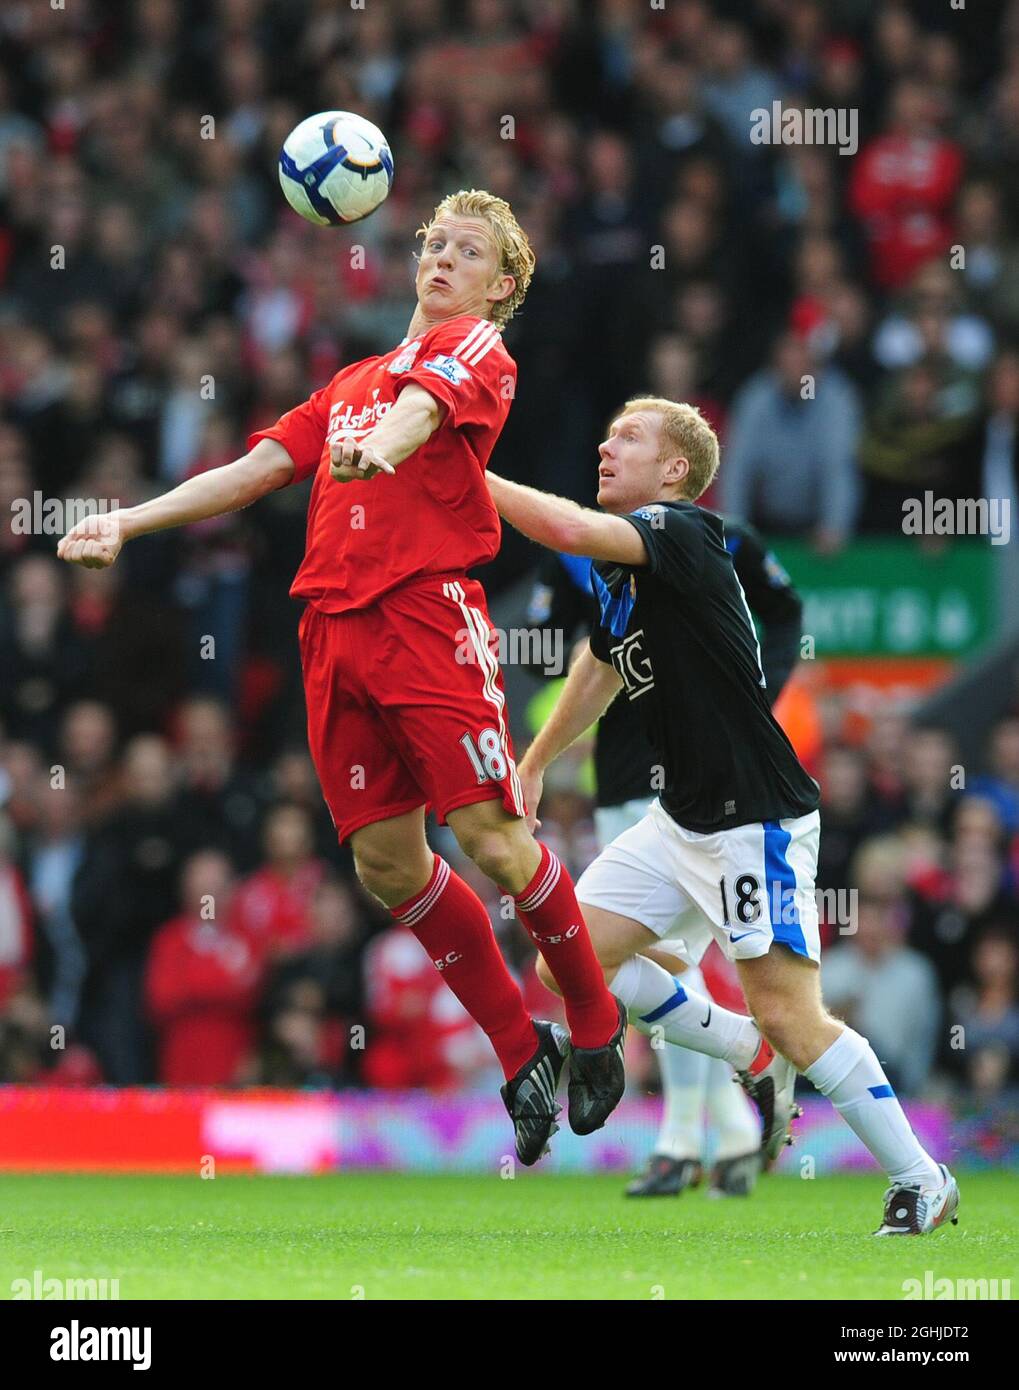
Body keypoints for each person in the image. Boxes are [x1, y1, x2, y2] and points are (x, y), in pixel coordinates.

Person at [57, 189, 626, 1165]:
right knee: (386, 865)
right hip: (330, 631)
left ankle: (591, 1016)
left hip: (423, 617)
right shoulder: (350, 380)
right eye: (434, 241)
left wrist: (378, 448)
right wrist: (129, 518)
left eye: (468, 250)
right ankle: (516, 1046)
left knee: (492, 837)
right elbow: (255, 468)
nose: (442, 257)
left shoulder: (478, 351)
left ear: (501, 286)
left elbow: (416, 416)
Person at [485, 394, 959, 1235]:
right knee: (565, 964)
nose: (604, 444)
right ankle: (747, 1050)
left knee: (794, 1012)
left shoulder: (684, 530)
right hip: (678, 820)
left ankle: (921, 1177)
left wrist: (464, 475)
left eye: (626, 436)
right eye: (605, 431)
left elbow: (565, 531)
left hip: (754, 819)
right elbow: (599, 661)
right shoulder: (624, 564)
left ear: (674, 471)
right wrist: (533, 761)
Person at [523, 509, 804, 1197]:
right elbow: (538, 645)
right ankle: (719, 1129)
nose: (606, 455)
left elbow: (786, 610)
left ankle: (689, 1136)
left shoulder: (724, 539)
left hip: (714, 782)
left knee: (666, 963)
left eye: (626, 442)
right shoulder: (576, 552)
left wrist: (757, 695)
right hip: (626, 770)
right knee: (668, 961)